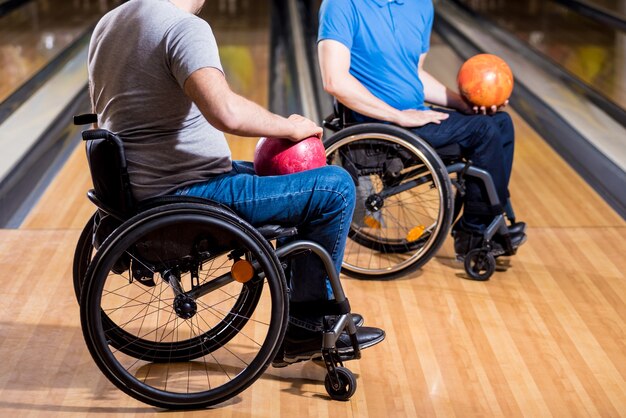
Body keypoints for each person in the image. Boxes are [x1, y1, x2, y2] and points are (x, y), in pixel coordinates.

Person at [88, 0, 384, 367]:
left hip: (142, 191)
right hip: (190, 194)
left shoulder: (109, 24)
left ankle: (300, 308)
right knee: (334, 187)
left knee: (292, 180)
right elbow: (225, 112)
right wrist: (291, 126)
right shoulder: (182, 28)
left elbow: (106, 118)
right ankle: (307, 324)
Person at [317, 0, 527, 259]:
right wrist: (397, 116)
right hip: (378, 127)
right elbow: (334, 80)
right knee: (483, 131)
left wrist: (466, 104)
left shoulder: (420, 5)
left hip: (415, 119)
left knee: (500, 122)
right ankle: (475, 232)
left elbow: (415, 75)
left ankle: (487, 219)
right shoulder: (341, 5)